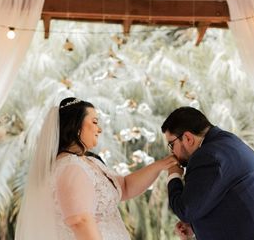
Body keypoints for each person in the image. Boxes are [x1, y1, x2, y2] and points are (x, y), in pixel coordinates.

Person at [16, 97, 178, 240]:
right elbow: (80, 221)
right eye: (94, 122)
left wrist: (163, 164)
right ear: (76, 127)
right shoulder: (70, 167)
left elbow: (125, 187)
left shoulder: (89, 162)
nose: (99, 129)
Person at [162, 107, 254, 240]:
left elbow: (185, 210)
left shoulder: (207, 156)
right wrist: (195, 226)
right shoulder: (226, 142)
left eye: (171, 145)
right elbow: (227, 201)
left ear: (188, 138)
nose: (172, 153)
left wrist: (173, 174)